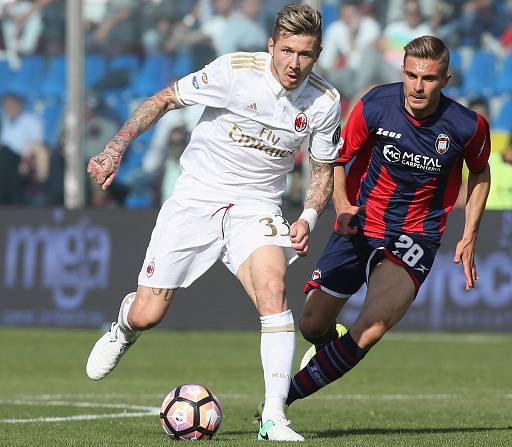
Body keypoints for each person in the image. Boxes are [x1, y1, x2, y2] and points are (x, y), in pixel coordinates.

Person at [85, 4, 341, 442]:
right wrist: (115, 149)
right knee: (148, 313)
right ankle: (124, 328)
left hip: (256, 206)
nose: (294, 63)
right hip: (197, 197)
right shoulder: (234, 72)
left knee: (273, 291)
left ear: (317, 55)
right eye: (287, 51)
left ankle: (274, 418)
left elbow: (321, 170)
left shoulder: (324, 102)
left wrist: (309, 216)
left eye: (305, 54)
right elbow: (163, 99)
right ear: (271, 46)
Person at [283, 35, 491, 407]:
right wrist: (342, 206)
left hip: (416, 236)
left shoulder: (467, 126)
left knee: (372, 327)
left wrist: (470, 233)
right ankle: (330, 348)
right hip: (361, 223)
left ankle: (280, 401)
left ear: (445, 80)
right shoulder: (376, 104)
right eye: (411, 75)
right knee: (312, 325)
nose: (417, 86)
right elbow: (338, 159)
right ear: (403, 72)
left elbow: (480, 172)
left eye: (428, 78)